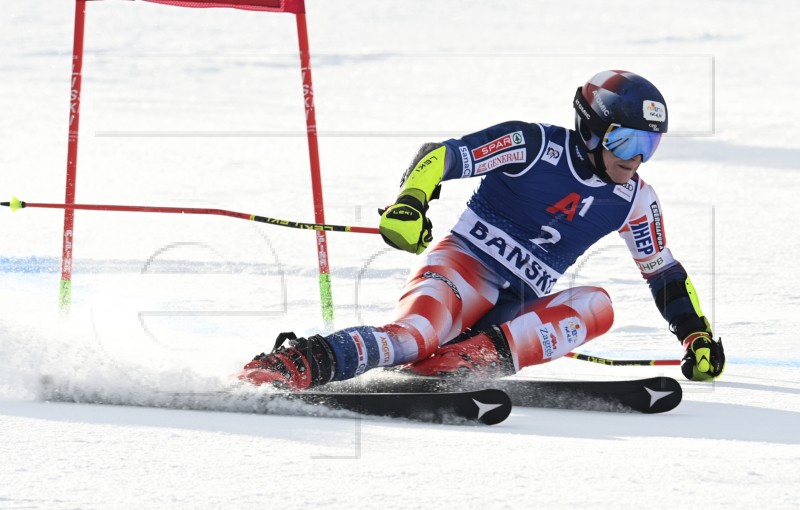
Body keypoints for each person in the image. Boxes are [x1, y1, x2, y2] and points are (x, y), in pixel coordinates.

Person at [240, 69, 726, 390]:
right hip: (462, 270)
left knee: (598, 306)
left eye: (649, 144)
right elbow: (443, 155)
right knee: (415, 336)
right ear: (593, 129)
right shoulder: (533, 145)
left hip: (512, 309)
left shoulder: (636, 200)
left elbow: (662, 273)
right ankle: (299, 363)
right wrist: (410, 202)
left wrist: (696, 337)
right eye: (625, 139)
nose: (635, 157)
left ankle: (463, 363)